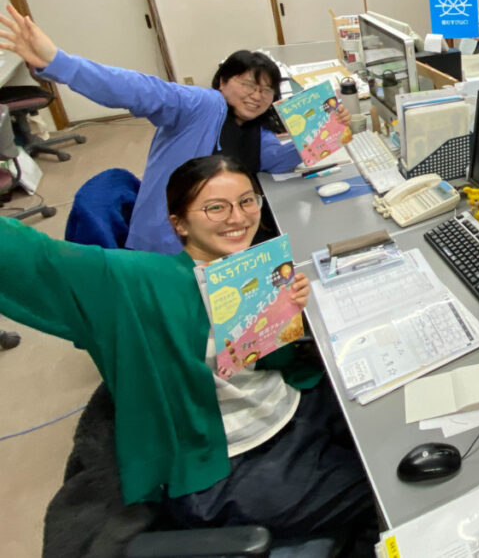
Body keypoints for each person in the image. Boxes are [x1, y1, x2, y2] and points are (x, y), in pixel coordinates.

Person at [0, 155, 374, 551]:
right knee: (385, 483)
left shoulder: (250, 270)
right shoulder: (133, 282)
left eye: (247, 201)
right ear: (179, 223)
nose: (238, 218)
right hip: (227, 467)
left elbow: (256, 362)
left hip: (288, 411)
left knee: (386, 423)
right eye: (216, 207)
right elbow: (28, 257)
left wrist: (284, 317)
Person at [0, 4, 349, 254]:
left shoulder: (259, 133)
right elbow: (134, 88)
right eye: (247, 84)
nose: (256, 96)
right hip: (170, 248)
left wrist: (329, 127)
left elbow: (283, 159)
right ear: (223, 81)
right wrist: (57, 63)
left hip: (213, 237)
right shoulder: (199, 106)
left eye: (266, 90)